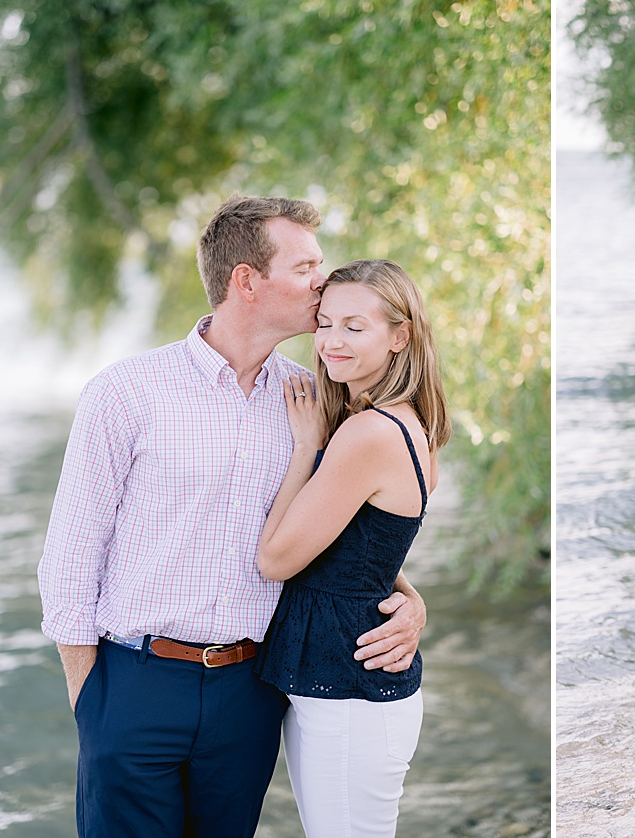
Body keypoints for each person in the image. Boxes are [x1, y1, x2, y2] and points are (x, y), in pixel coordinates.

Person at [37, 195, 427, 838]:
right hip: (135, 683)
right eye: (305, 267)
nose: (321, 281)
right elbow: (72, 555)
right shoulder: (126, 392)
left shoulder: (313, 398)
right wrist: (92, 703)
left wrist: (411, 601)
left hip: (252, 690)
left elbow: (350, 537)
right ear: (247, 281)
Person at [253, 258, 450, 837]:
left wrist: (305, 446)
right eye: (326, 323)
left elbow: (274, 560)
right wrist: (413, 598)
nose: (331, 342)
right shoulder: (411, 424)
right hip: (346, 683)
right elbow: (373, 552)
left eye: (354, 327)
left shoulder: (367, 433)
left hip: (349, 690)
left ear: (399, 336)